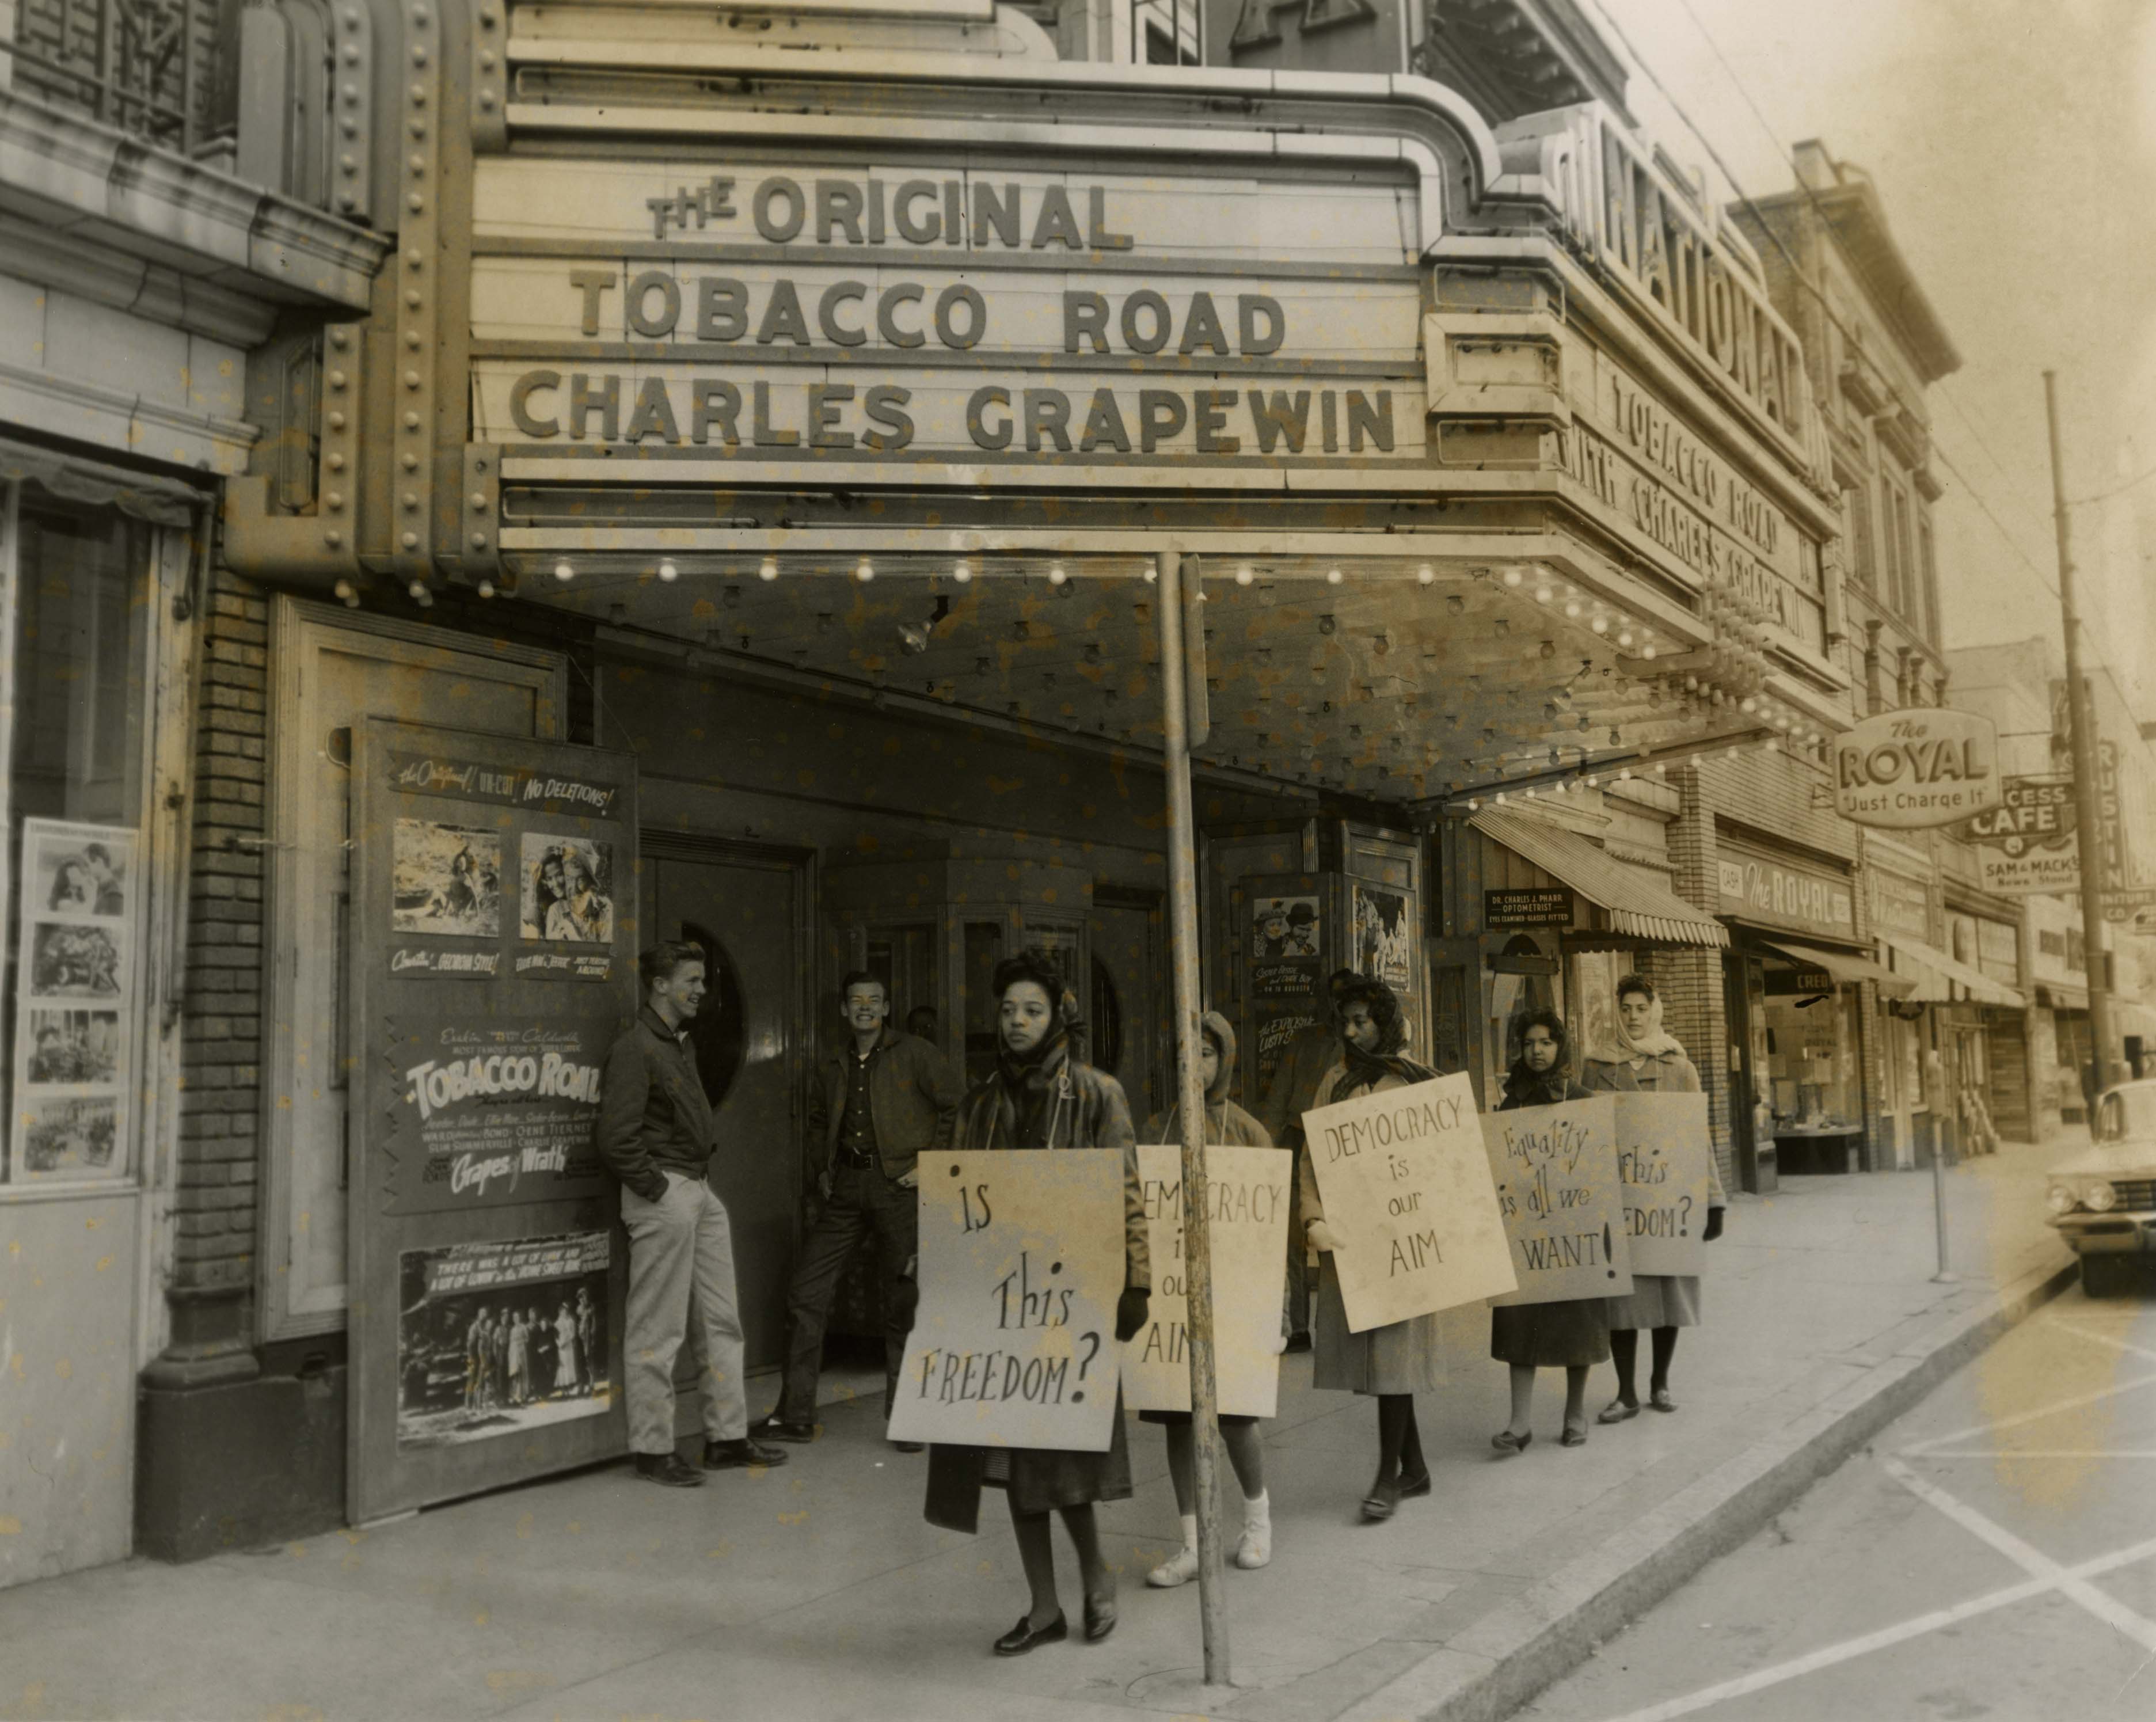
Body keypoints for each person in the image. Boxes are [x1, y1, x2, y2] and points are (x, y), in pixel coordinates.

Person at [923, 950, 1150, 1655]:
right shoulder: (980, 1104)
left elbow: (1127, 1194)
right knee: (1015, 1459)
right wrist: (934, 1278)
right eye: (1007, 1010)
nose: (1017, 1022)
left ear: (1058, 1018)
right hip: (999, 1304)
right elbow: (954, 1202)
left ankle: (1096, 1573)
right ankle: (1044, 1606)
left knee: (1065, 1454)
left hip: (1070, 1302)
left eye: (1032, 1010)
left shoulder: (1096, 1095)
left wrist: (1137, 1281)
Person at [596, 939, 788, 1486]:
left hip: (696, 1190)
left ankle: (727, 1438)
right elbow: (615, 1137)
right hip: (667, 1194)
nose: (702, 989)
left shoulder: (679, 1043)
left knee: (721, 1320)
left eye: (702, 980)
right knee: (657, 1328)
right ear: (660, 985)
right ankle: (653, 1450)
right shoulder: (636, 1047)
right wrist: (658, 1190)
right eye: (693, 980)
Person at [754, 973, 961, 1452]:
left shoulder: (916, 1053)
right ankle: (796, 1414)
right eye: (856, 1001)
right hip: (846, 1188)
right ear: (845, 1010)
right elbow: (817, 1121)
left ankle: (908, 1418)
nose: (864, 1007)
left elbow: (957, 1106)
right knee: (806, 1291)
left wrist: (931, 1164)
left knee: (903, 1300)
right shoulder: (832, 1063)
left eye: (874, 1000)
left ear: (886, 1008)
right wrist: (821, 1169)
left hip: (899, 1189)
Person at [1297, 976, 1442, 1522]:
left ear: (1384, 1021)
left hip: (1404, 1240)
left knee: (1391, 1356)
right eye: (1346, 1022)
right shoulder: (1334, 1082)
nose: (1352, 1032)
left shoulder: (1414, 1080)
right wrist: (1312, 1215)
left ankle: (1387, 1477)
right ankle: (1415, 1469)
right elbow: (1312, 1156)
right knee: (1383, 1357)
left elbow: (1443, 1159)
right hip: (1355, 1240)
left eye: (1361, 1021)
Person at [1139, 1010, 1276, 1585]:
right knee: (1177, 1417)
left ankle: (1257, 1521)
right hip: (1172, 1301)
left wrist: (1277, 1310)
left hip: (1233, 1299)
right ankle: (1193, 1543)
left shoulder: (1247, 1132)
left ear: (1225, 1060)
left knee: (1234, 1415)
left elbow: (1269, 1233)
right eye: (1183, 1055)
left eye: (1206, 1053)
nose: (1193, 1065)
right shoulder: (1156, 1130)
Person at [1582, 974, 1726, 1422]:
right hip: (1620, 1202)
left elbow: (1697, 1136)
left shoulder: (1678, 1066)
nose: (1633, 1017)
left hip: (1668, 1203)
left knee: (1668, 1294)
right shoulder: (1596, 1066)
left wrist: (1713, 1199)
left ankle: (1659, 1382)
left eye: (1641, 1008)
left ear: (1654, 1010)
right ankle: (1625, 1392)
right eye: (1625, 1009)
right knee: (1621, 1300)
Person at [1490, 1010, 1606, 1453]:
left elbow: (1598, 1167)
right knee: (1520, 1321)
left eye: (1545, 1042)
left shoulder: (1582, 1099)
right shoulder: (1511, 1103)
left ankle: (1574, 1413)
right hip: (1524, 1232)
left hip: (1571, 1230)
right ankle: (1519, 1423)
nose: (1536, 1051)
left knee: (1577, 1321)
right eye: (1528, 1043)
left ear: (1561, 1046)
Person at [1260, 968, 1363, 1350]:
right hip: (1297, 1138)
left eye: (1344, 997)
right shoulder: (1303, 1041)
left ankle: (1350, 1325)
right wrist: (1265, 1153)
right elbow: (1278, 1097)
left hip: (1343, 1147)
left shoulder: (1361, 1045)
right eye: (1331, 996)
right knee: (1291, 1238)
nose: (1336, 1005)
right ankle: (1298, 1328)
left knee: (1348, 1233)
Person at [81, 843, 124, 915]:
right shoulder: (101, 888)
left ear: (99, 862)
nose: (85, 870)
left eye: (87, 865)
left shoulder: (114, 894)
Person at [554, 1299, 582, 1394]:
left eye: (566, 1311)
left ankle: (570, 1385)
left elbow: (573, 1334)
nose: (564, 1313)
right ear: (560, 1312)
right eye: (562, 1311)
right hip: (561, 1347)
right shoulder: (557, 1323)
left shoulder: (571, 1321)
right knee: (562, 1365)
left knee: (569, 1365)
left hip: (569, 1345)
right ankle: (563, 1386)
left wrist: (566, 1341)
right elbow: (555, 1336)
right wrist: (559, 1343)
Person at [506, 1307, 532, 1407]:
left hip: (522, 1352)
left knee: (522, 1373)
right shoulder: (512, 1330)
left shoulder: (523, 1327)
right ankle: (516, 1396)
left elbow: (527, 1339)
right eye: (514, 1317)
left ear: (520, 1318)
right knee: (515, 1373)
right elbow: (511, 1341)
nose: (516, 1319)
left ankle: (523, 1395)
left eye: (517, 1317)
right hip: (514, 1352)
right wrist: (510, 1353)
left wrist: (520, 1342)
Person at [576, 1286, 599, 1393]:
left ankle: (592, 1382)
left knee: (589, 1358)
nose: (582, 1300)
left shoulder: (591, 1307)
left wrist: (593, 1335)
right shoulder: (579, 1309)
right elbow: (578, 1322)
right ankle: (584, 1383)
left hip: (588, 1335)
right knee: (583, 1360)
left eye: (584, 1297)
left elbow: (594, 1323)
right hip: (581, 1336)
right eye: (580, 1298)